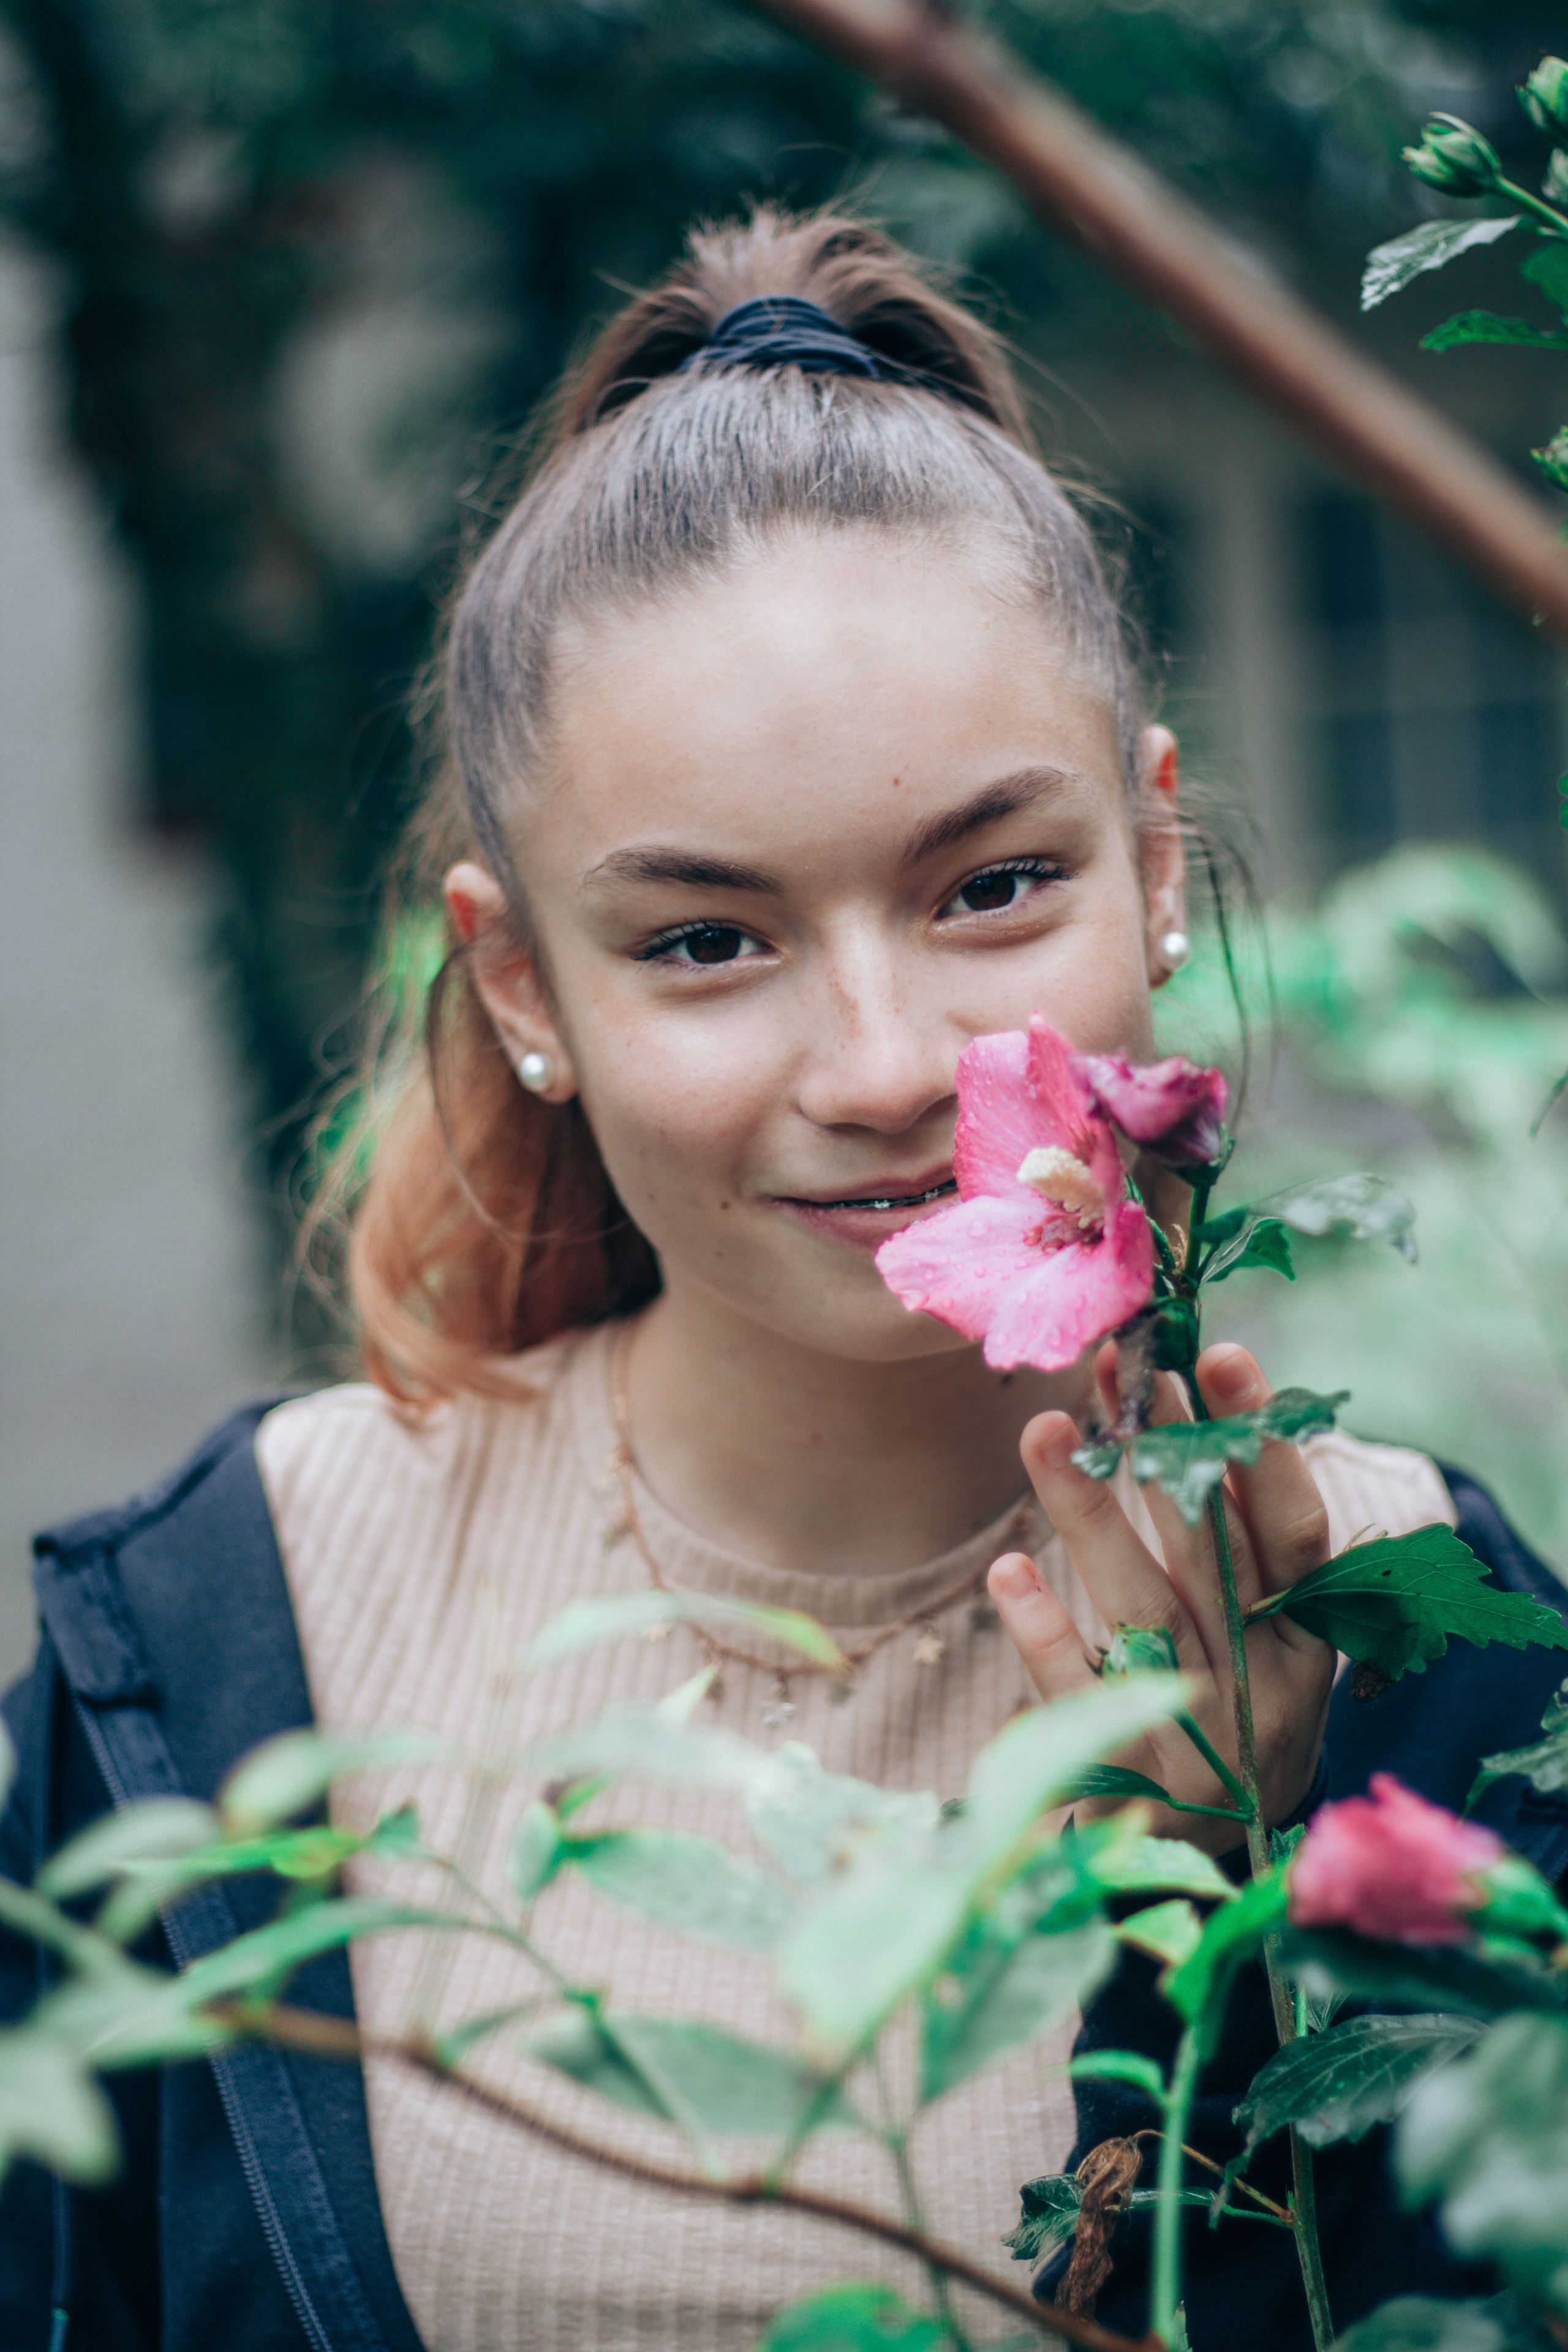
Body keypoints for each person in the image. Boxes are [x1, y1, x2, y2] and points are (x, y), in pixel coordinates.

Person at [2, 206, 1566, 2352]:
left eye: (996, 887)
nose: (885, 1067)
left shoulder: (1422, 1640)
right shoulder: (219, 1635)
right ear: (519, 979)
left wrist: (1247, 1907)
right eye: (705, 941)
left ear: (1161, 862)